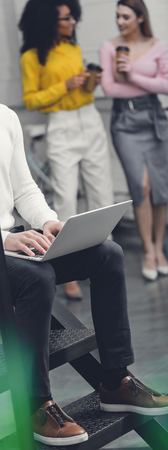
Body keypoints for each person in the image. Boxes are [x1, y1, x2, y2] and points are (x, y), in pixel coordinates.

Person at [0, 8, 168, 447]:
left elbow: (24, 189)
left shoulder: (2, 117)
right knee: (36, 275)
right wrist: (6, 239)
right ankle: (35, 404)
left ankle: (115, 381)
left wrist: (49, 222)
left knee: (108, 254)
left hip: (8, 244)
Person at [19, 0, 114, 299]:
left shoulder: (73, 49)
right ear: (49, 21)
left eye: (73, 17)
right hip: (60, 126)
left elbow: (82, 92)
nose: (72, 22)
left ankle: (109, 261)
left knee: (103, 195)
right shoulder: (32, 57)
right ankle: (67, 271)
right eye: (66, 18)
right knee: (65, 201)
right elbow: (31, 100)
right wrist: (65, 85)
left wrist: (89, 82)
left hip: (90, 118)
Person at [100, 0, 168, 281]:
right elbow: (109, 88)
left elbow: (166, 85)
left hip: (155, 120)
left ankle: (159, 247)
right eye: (117, 16)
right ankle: (148, 250)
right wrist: (141, 79)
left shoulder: (158, 45)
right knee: (140, 186)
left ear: (140, 18)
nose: (120, 21)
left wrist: (132, 75)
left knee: (160, 187)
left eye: (126, 16)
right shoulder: (109, 47)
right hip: (124, 123)